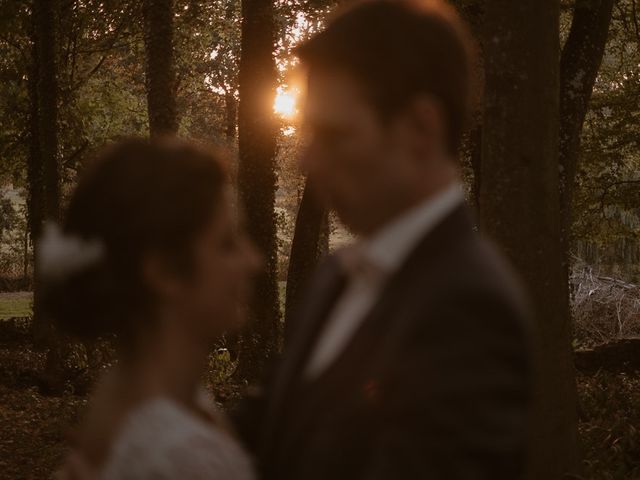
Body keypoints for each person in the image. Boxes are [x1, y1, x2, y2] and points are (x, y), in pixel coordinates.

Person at [244, 1, 535, 479]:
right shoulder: (336, 278)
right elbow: (265, 430)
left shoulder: (470, 307)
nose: (307, 162)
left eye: (334, 135)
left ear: (421, 128)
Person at [45, 138, 260, 479]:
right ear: (163, 272)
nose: (252, 261)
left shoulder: (124, 389)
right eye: (227, 244)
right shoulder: (186, 458)